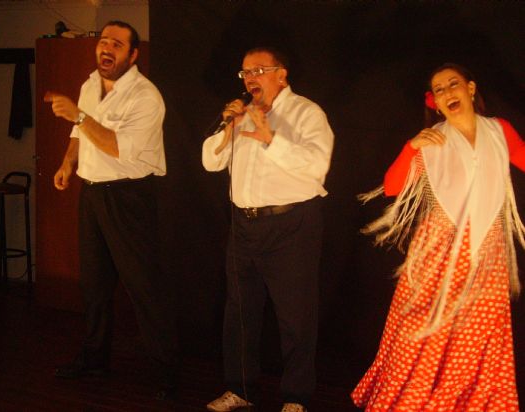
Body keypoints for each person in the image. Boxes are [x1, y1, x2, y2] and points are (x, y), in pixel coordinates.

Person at [352, 63, 525, 410]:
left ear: (471, 88)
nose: (448, 92)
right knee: (423, 330)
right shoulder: (433, 139)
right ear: (435, 102)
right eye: (440, 89)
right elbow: (392, 186)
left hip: (486, 250)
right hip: (439, 248)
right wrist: (411, 146)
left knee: (475, 336)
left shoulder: (498, 130)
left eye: (453, 84)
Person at [46, 20, 178, 400]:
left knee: (143, 287)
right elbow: (79, 132)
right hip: (91, 193)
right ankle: (95, 359)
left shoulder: (145, 96)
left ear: (132, 55)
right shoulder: (89, 84)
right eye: (103, 41)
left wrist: (79, 117)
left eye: (117, 44)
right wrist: (68, 163)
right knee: (94, 285)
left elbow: (118, 146)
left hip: (128, 197)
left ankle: (167, 370)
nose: (107, 48)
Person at [202, 47, 334, 412]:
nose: (250, 78)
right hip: (244, 224)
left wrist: (272, 140)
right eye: (245, 72)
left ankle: (296, 397)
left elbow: (316, 166)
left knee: (296, 316)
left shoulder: (307, 113)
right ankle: (240, 389)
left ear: (282, 74)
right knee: (240, 312)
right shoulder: (241, 114)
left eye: (260, 70)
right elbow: (209, 161)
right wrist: (229, 128)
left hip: (291, 225)